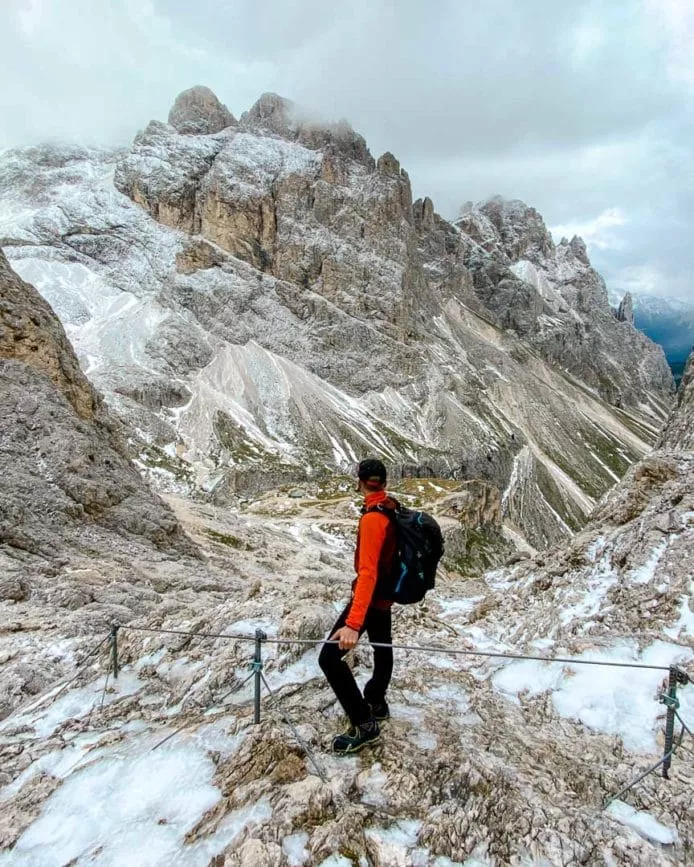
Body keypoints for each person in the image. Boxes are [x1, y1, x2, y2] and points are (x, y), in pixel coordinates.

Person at [319, 458, 398, 755]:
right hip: (385, 597)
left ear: (361, 482)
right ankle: (376, 703)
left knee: (328, 658)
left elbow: (367, 574)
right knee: (382, 647)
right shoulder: (391, 507)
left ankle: (364, 723)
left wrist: (352, 623)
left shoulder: (371, 519)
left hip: (370, 597)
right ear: (384, 481)